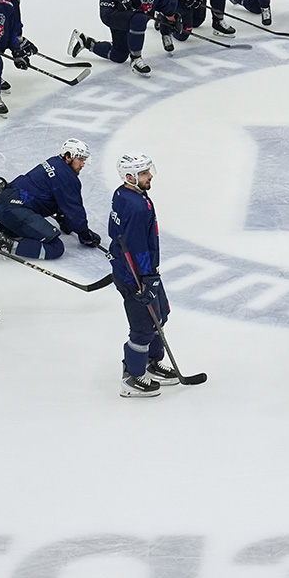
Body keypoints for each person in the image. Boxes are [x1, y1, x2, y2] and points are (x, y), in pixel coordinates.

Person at [111, 151, 182, 397]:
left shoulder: (124, 194)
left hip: (141, 271)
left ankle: (152, 362)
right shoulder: (137, 207)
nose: (149, 175)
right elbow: (137, 247)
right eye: (143, 173)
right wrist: (146, 280)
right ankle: (132, 377)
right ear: (129, 177)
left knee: (160, 315)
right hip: (135, 276)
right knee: (143, 325)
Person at [0, 138, 100, 262]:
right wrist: (85, 234)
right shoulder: (67, 177)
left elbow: (56, 197)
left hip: (1, 204)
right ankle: (8, 244)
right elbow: (74, 210)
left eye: (84, 160)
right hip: (14, 211)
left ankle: (3, 229)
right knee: (56, 248)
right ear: (68, 157)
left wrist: (63, 219)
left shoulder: (54, 161)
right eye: (80, 159)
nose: (82, 165)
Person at [70, 0, 177, 75]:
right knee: (140, 19)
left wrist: (172, 20)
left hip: (129, 14)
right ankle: (136, 59)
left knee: (119, 55)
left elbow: (163, 5)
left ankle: (86, 42)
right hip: (112, 11)